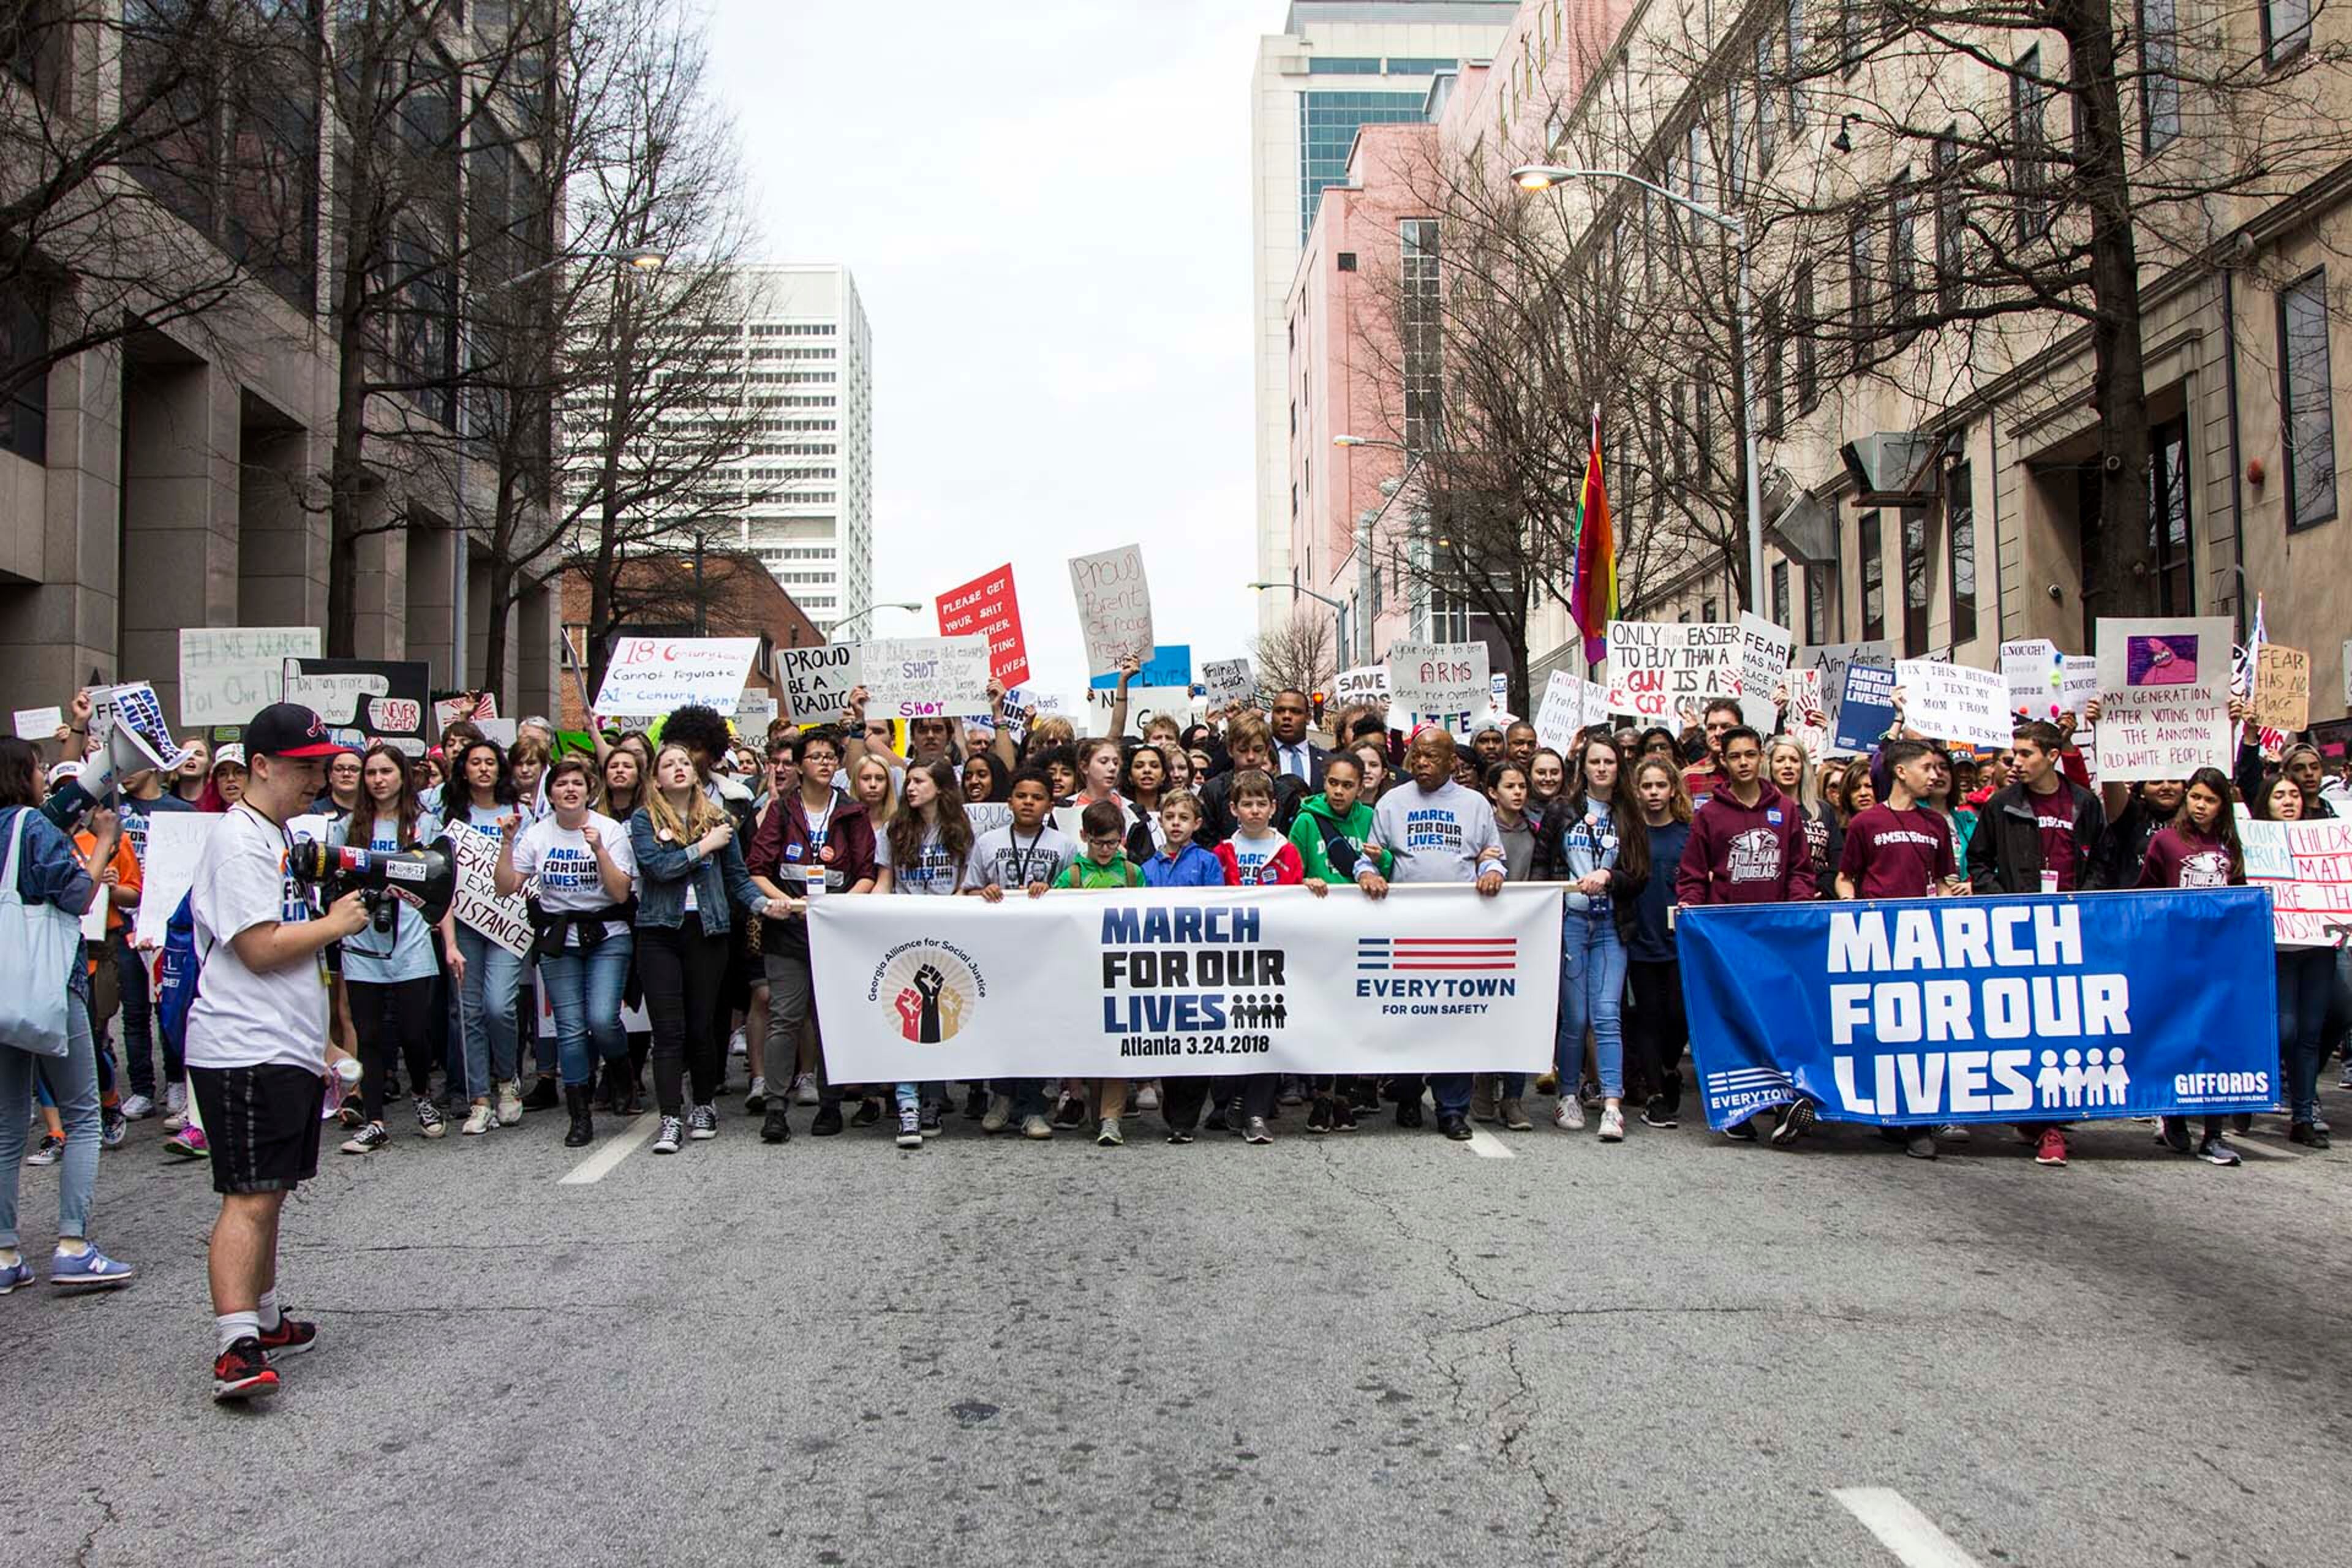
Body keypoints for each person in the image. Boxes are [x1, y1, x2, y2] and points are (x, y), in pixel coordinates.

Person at [183, 705, 372, 1401]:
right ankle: (235, 1343)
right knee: (250, 1196)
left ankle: (262, 1317)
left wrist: (324, 1046)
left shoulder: (277, 836)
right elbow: (260, 947)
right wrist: (337, 922)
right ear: (260, 766)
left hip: (281, 1042)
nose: (317, 779)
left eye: (321, 765)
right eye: (304, 766)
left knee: (275, 1191)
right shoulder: (238, 841)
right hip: (242, 1045)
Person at [0, 739, 137, 1297]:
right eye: (38, 769)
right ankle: (74, 1245)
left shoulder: (14, 825)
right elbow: (80, 896)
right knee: (83, 1117)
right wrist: (104, 842)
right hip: (51, 987)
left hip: (6, 990)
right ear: (24, 774)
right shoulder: (32, 826)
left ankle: (6, 1250)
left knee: (8, 1126)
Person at [1964, 720, 2109, 1169]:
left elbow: (2101, 862)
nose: (2016, 762)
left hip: (2068, 930)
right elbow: (1979, 861)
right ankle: (2035, 1115)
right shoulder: (2001, 806)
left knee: (2060, 1023)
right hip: (2017, 929)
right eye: (2014, 754)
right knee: (2022, 1023)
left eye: (2026, 754)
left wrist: (2083, 906)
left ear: (2051, 755)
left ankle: (2048, 1121)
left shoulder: (2084, 804)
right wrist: (2003, 902)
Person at [1358, 727, 1507, 1140]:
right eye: (1416, 757)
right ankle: (1407, 1093)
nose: (1421, 764)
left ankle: (1452, 1109)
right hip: (1405, 929)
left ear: (1452, 763)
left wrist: (1492, 872)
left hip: (1458, 930)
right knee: (1408, 1016)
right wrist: (1368, 873)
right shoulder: (1392, 803)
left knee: (1453, 1018)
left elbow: (1493, 857)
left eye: (1431, 758)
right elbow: (1368, 859)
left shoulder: (1475, 805)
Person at [631, 742, 777, 1156]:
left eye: (684, 763)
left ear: (696, 774)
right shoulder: (644, 821)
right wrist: (703, 847)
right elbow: (658, 869)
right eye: (668, 765)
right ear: (656, 778)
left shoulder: (719, 820)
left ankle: (705, 1106)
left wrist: (766, 906)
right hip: (660, 931)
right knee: (668, 1030)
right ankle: (670, 1118)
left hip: (708, 931)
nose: (678, 769)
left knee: (702, 1025)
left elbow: (738, 878)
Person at [1676, 725, 1817, 1144]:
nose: (1744, 763)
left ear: (1762, 759)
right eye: (1736, 756)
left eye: (1751, 755)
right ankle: (1738, 1109)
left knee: (1776, 1015)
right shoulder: (1710, 815)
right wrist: (1693, 910)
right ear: (1725, 761)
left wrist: (1792, 910)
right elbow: (1693, 875)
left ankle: (1784, 1101)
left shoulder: (1786, 811)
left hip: (1773, 936)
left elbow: (1799, 869)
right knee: (1733, 1018)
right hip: (1726, 937)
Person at [745, 726, 878, 1142]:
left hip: (835, 933)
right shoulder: (782, 811)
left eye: (830, 756)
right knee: (785, 1017)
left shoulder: (852, 813)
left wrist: (837, 907)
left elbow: (866, 874)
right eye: (815, 756)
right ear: (800, 765)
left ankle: (831, 1104)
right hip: (788, 932)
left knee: (830, 1020)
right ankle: (775, 1107)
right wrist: (779, 902)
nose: (824, 762)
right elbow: (757, 869)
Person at [496, 758, 637, 1149]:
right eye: (562, 785)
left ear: (590, 790)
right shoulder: (537, 835)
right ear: (552, 793)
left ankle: (622, 1070)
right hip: (560, 939)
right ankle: (580, 1115)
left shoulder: (608, 831)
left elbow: (621, 892)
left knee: (602, 1018)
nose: (570, 790)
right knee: (571, 1029)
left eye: (578, 783)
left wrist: (599, 852)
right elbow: (506, 886)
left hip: (608, 935)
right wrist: (507, 842)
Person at [1834, 739, 1964, 1159]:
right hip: (1877, 941)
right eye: (1927, 767)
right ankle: (1889, 1111)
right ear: (1902, 772)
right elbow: (1845, 877)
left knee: (1921, 1028)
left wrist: (1951, 901)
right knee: (1885, 1028)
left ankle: (1919, 1121)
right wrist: (1852, 907)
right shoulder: (1865, 824)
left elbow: (1945, 879)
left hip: (1923, 939)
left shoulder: (1936, 825)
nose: (1935, 774)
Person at [330, 744, 461, 1153]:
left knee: (414, 1032)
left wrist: (451, 944)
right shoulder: (347, 827)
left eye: (386, 772)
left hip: (411, 941)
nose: (378, 780)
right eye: (371, 773)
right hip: (362, 944)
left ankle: (422, 1096)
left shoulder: (422, 825)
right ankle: (374, 1121)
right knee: (368, 1034)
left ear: (402, 776)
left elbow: (442, 888)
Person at [1534, 734, 1646, 1141]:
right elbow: (1541, 867)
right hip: (1571, 924)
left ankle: (1612, 1103)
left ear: (1619, 768)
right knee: (1575, 1017)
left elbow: (1639, 875)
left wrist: (1610, 877)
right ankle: (1568, 1095)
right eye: (1595, 762)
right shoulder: (1561, 810)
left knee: (1606, 1014)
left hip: (1611, 926)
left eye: (1609, 762)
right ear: (1583, 767)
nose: (1602, 769)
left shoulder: (1629, 814)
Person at [2135, 766, 2245, 1166]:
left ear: (2222, 806)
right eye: (2196, 797)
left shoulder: (2231, 844)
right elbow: (2145, 894)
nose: (2201, 806)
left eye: (2210, 800)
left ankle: (2214, 1133)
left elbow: (2242, 897)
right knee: (2178, 1038)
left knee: (2215, 1043)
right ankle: (2174, 1114)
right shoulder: (2165, 841)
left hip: (2218, 961)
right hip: (2175, 959)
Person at [959, 766, 1072, 1140]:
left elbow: (1077, 900)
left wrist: (1053, 892)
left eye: (1037, 798)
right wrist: (984, 893)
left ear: (1049, 804)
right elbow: (969, 891)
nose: (1029, 803)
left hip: (1044, 952)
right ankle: (1002, 1098)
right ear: (1009, 801)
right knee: (1001, 1025)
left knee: (1036, 1027)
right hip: (997, 950)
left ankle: (1033, 1107)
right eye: (1022, 796)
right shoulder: (987, 842)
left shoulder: (1064, 846)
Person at [873, 758, 978, 1143]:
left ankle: (933, 1099)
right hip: (904, 933)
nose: (910, 788)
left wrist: (951, 908)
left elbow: (966, 882)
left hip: (947, 933)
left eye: (919, 781)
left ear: (940, 787)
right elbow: (885, 881)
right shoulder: (895, 829)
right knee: (908, 1020)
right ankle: (907, 1105)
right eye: (909, 782)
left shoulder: (963, 831)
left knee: (939, 1020)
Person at [1208, 772, 1312, 1145]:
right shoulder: (1221, 853)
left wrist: (1307, 887)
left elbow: (1297, 895)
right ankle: (1229, 1099)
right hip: (1229, 958)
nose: (1254, 811)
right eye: (1246, 804)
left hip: (1272, 957)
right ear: (1234, 809)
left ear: (1273, 807)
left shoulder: (1287, 851)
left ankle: (1255, 1110)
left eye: (1261, 804)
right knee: (1229, 1030)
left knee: (1265, 1031)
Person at [1049, 801, 1147, 1147]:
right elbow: (1052, 917)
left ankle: (1112, 1117)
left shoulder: (1133, 874)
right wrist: (1039, 894)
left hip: (1121, 973)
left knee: (1118, 1046)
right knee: (1090, 1044)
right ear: (1084, 837)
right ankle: (1092, 1107)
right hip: (1083, 975)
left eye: (1111, 843)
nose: (1105, 851)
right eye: (1097, 843)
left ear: (1122, 838)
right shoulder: (1073, 875)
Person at [444, 739, 530, 1130]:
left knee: (500, 1006)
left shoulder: (522, 814)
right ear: (464, 770)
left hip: (508, 926)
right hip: (463, 925)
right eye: (475, 762)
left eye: (490, 762)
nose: (482, 769)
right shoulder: (447, 817)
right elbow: (440, 879)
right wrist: (447, 939)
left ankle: (507, 1081)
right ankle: (479, 1098)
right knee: (470, 1011)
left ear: (501, 770)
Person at [2253, 774, 2334, 1147]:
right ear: (2265, 803)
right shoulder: (2253, 843)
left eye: (2295, 795)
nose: (2289, 801)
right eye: (2280, 796)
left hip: (2319, 951)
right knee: (2284, 1030)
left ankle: (2303, 1117)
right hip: (2278, 953)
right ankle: (2255, 1091)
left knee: (2309, 1036)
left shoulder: (2327, 841)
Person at [1624, 758, 1692, 1126]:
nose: (1653, 793)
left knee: (1679, 1015)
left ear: (1672, 789)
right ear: (1637, 791)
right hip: (1639, 939)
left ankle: (1669, 1067)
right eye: (1647, 786)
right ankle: (1654, 1095)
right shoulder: (1631, 834)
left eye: (1660, 786)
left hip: (1679, 942)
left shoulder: (1687, 834)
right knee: (1647, 1017)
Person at [1198, 717, 1306, 843]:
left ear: (1266, 750)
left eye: (1258, 750)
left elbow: (1293, 843)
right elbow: (1204, 841)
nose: (1251, 757)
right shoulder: (1213, 791)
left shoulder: (1286, 795)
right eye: (1243, 750)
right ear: (1230, 750)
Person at [1767, 737, 1839, 900]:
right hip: (1776, 899)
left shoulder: (1823, 810)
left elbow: (1837, 860)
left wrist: (1819, 889)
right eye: (1780, 760)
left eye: (1794, 760)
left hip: (1817, 898)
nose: (1788, 766)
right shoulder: (1761, 810)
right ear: (1770, 766)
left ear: (1803, 766)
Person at [1682, 699, 1741, 805]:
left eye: (1725, 727)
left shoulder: (1755, 772)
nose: (1718, 733)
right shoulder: (1689, 777)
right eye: (1711, 728)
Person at [1488, 760, 1538, 884]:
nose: (1518, 792)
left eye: (1522, 786)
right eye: (1510, 786)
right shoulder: (1484, 830)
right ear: (1493, 793)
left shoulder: (1535, 830)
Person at [1267, 689, 1328, 786]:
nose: (1287, 716)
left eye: (1295, 712)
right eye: (1280, 711)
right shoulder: (1258, 757)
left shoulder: (1328, 761)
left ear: (1308, 718)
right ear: (1272, 716)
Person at [314, 751, 362, 820]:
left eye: (354, 769)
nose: (346, 774)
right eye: (339, 769)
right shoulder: (313, 812)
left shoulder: (377, 812)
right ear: (330, 776)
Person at [1528, 748, 1566, 812]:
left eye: (1554, 773)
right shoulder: (1518, 812)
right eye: (1541, 773)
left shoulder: (1574, 812)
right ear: (1529, 774)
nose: (1548, 778)